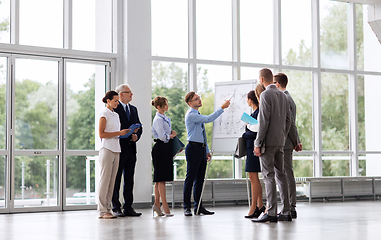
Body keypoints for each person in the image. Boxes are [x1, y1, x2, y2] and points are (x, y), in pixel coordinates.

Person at [252, 68, 292, 223]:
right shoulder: (283, 96)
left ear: (262, 80)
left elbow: (263, 121)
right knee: (281, 176)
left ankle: (272, 212)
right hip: (280, 142)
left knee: (268, 176)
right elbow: (289, 120)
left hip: (268, 143)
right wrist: (282, 135)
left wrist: (258, 142)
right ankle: (286, 211)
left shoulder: (265, 95)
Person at [183, 91, 230, 216]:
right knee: (190, 178)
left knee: (200, 180)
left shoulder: (197, 114)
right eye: (196, 99)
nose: (199, 100)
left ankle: (198, 207)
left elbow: (202, 134)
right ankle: (186, 207)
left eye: (199, 98)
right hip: (193, 148)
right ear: (190, 103)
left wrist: (207, 150)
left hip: (201, 148)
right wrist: (222, 108)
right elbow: (209, 119)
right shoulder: (191, 115)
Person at [274, 73, 302, 218]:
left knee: (286, 174)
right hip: (286, 141)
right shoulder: (287, 98)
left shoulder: (285, 98)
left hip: (285, 143)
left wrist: (296, 141)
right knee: (285, 174)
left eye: (273, 83)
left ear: (278, 84)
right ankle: (290, 206)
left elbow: (290, 123)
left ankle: (291, 207)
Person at [112, 84, 143, 217]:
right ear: (121, 95)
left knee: (129, 179)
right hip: (119, 148)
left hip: (131, 148)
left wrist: (137, 136)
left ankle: (128, 206)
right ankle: (115, 207)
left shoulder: (134, 109)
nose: (131, 94)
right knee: (116, 179)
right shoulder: (114, 109)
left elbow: (139, 127)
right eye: (128, 92)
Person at [98, 91, 130, 219]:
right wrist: (119, 133)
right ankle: (102, 210)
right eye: (115, 101)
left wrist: (125, 133)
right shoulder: (104, 114)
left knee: (112, 182)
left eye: (118, 101)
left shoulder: (116, 115)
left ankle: (108, 209)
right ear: (108, 101)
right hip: (107, 149)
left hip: (117, 149)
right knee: (105, 181)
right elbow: (102, 134)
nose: (117, 103)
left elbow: (117, 133)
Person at [151, 96, 177, 217]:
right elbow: (162, 136)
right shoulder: (158, 119)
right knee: (161, 178)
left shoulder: (164, 118)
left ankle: (157, 204)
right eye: (164, 104)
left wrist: (170, 135)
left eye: (166, 104)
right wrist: (172, 135)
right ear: (158, 107)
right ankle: (164, 206)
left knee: (159, 179)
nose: (167, 106)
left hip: (165, 148)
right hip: (160, 148)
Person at [242, 88, 266, 219]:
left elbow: (256, 132)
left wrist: (244, 134)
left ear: (250, 100)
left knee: (253, 178)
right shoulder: (255, 113)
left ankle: (253, 207)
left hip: (254, 148)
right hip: (252, 148)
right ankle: (259, 205)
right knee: (254, 178)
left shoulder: (257, 113)